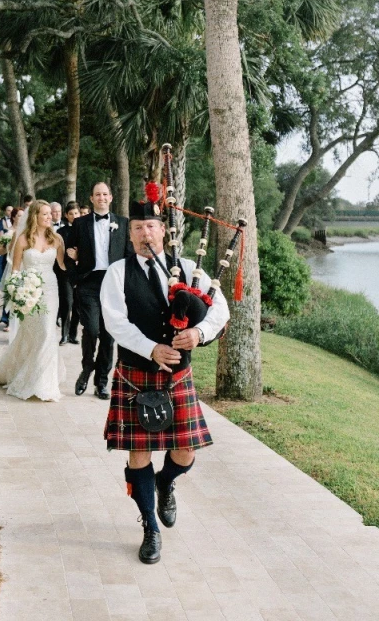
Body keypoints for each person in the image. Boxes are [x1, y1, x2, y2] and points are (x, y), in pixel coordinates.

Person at [100, 195, 230, 565]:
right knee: (139, 453)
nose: (145, 233)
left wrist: (199, 334)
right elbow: (115, 322)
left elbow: (219, 309)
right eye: (138, 227)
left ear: (163, 230)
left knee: (185, 451)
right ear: (130, 233)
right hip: (136, 374)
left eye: (151, 226)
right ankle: (150, 529)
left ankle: (166, 482)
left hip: (177, 377)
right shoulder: (118, 273)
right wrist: (151, 348)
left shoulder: (190, 268)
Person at [0, 200, 67, 401]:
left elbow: (62, 266)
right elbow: (15, 270)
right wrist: (18, 292)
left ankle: (44, 383)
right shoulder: (23, 239)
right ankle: (27, 374)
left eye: (50, 214)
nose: (50, 217)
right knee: (32, 334)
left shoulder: (57, 239)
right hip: (30, 291)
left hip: (50, 290)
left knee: (48, 332)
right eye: (45, 214)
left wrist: (76, 258)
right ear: (35, 216)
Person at [66, 182, 131, 399]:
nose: (101, 198)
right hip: (89, 283)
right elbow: (68, 251)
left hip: (114, 284)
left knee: (108, 335)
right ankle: (86, 368)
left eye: (105, 194)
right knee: (92, 330)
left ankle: (102, 382)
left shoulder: (123, 223)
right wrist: (75, 278)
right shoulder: (80, 223)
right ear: (91, 199)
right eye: (97, 194)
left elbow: (130, 257)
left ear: (111, 198)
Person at [57, 201, 80, 345]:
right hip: (65, 271)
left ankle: (73, 334)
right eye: (71, 213)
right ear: (66, 215)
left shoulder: (85, 229)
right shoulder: (61, 232)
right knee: (67, 302)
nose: (74, 216)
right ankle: (64, 334)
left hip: (81, 272)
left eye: (76, 213)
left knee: (78, 305)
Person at [0, 206, 24, 330]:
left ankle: (17, 320)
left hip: (22, 264)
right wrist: (2, 244)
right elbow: (2, 250)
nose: (22, 218)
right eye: (19, 215)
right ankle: (7, 319)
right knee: (10, 290)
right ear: (14, 217)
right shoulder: (8, 231)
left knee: (20, 292)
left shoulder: (25, 232)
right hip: (9, 263)